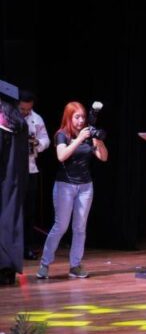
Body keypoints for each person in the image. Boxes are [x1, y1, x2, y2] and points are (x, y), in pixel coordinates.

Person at [37, 102, 108, 280]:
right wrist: (77, 140)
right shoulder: (62, 135)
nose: (81, 120)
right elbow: (61, 156)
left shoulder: (87, 134)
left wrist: (97, 140)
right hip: (65, 186)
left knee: (80, 227)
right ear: (69, 117)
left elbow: (103, 157)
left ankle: (75, 265)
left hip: (85, 186)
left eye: (83, 117)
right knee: (60, 226)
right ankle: (45, 264)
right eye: (77, 117)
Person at [0, 94, 28, 285]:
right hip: (15, 181)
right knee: (10, 222)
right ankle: (8, 271)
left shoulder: (1, 121)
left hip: (4, 177)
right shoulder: (20, 122)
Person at [18, 91, 49, 259]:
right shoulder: (7, 117)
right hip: (13, 171)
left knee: (29, 212)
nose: (24, 112)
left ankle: (27, 247)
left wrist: (38, 143)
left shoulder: (37, 119)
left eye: (27, 109)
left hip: (31, 169)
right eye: (22, 109)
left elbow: (46, 140)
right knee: (14, 211)